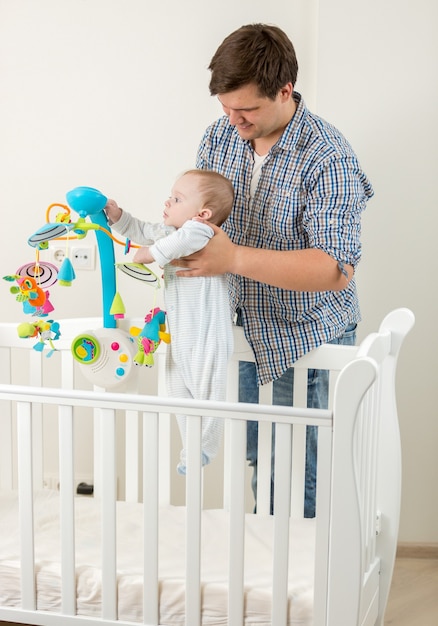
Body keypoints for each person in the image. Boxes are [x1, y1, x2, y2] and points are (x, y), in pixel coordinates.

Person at [173, 24, 374, 517]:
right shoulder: (220, 137)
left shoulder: (328, 157)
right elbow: (200, 221)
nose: (233, 120)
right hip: (244, 328)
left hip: (304, 333)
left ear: (285, 91)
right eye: (226, 108)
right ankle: (270, 574)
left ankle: (300, 586)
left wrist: (233, 258)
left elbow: (334, 269)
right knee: (259, 454)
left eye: (246, 110)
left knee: (293, 467)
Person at [105, 169, 235, 474]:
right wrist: (118, 216)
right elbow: (140, 229)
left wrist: (151, 254)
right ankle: (191, 448)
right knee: (177, 392)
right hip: (182, 336)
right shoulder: (169, 234)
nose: (168, 201)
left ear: (202, 213)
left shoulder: (202, 232)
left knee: (209, 394)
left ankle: (205, 446)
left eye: (177, 199)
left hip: (208, 335)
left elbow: (181, 241)